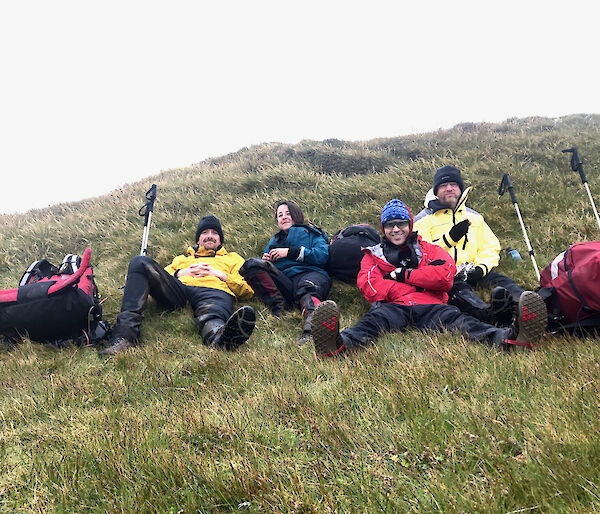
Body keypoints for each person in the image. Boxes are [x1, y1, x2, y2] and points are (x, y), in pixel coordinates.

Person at [311, 199, 547, 357]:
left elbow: (445, 277)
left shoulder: (430, 249)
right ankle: (336, 345)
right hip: (393, 307)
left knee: (465, 324)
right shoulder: (373, 255)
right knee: (369, 325)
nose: (396, 229)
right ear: (383, 229)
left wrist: (403, 276)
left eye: (401, 224)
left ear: (409, 225)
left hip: (433, 306)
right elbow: (370, 286)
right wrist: (412, 286)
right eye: (390, 225)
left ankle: (511, 339)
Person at [101, 215, 256, 355]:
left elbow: (247, 290)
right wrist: (179, 273)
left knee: (212, 314)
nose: (209, 236)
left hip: (213, 291)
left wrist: (221, 275)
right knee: (139, 262)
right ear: (198, 239)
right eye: (205, 232)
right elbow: (160, 275)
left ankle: (218, 337)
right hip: (179, 291)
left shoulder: (233, 258)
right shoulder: (181, 259)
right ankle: (124, 336)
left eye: (214, 233)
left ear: (220, 240)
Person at [413, 165, 525, 325]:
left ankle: (528, 307)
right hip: (447, 275)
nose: (449, 189)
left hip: (474, 269)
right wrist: (449, 239)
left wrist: (481, 269)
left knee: (503, 282)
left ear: (461, 188)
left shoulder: (475, 217)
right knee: (461, 294)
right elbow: (422, 253)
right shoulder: (423, 219)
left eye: (453, 184)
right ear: (436, 192)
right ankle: (492, 316)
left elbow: (490, 247)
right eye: (443, 186)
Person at [240, 200, 331, 343]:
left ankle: (313, 330)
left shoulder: (312, 234)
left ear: (297, 215)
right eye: (280, 215)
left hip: (311, 274)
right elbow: (265, 264)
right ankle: (279, 307)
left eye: (288, 213)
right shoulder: (274, 240)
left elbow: (322, 256)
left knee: (307, 288)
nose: (284, 217)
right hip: (286, 282)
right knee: (252, 264)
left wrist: (290, 252)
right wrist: (267, 262)